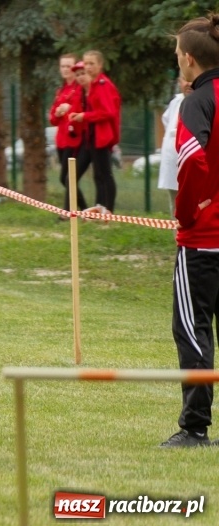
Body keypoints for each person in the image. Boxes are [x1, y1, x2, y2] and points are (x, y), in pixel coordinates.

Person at [160, 13, 219, 448]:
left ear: (190, 59)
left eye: (178, 55)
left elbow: (192, 159)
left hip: (203, 241)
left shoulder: (195, 102)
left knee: (193, 327)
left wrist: (187, 211)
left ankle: (195, 428)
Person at [68, 50, 121, 214]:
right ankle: (100, 208)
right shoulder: (93, 85)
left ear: (100, 65)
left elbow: (108, 112)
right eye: (86, 63)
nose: (88, 67)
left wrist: (85, 116)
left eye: (92, 64)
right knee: (98, 175)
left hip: (102, 137)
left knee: (105, 175)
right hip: (92, 137)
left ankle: (109, 211)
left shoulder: (103, 84)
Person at [48, 54, 85, 217]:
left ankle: (67, 212)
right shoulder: (61, 90)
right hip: (61, 140)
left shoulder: (80, 89)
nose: (65, 70)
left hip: (74, 139)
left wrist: (69, 109)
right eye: (62, 66)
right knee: (65, 178)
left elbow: (82, 112)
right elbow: (53, 119)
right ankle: (84, 209)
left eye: (68, 66)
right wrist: (57, 112)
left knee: (67, 177)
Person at [158, 74, 192, 217]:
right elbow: (167, 122)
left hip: (194, 168)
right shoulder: (176, 103)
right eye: (185, 79)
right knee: (176, 207)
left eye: (192, 79)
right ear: (179, 82)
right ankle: (178, 239)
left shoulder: (206, 103)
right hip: (173, 166)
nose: (189, 84)